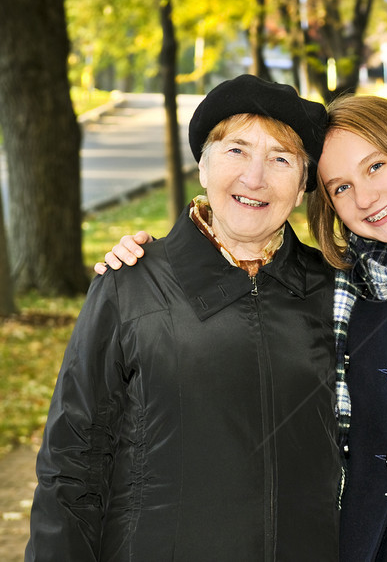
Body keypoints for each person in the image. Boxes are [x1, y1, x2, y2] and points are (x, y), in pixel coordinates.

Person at [99, 94, 387, 560]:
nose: (365, 197)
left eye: (376, 166)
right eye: (340, 187)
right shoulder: (348, 285)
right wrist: (145, 265)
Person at [27, 74, 340, 561]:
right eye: (236, 150)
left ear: (301, 186)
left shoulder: (334, 291)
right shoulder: (129, 284)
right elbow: (72, 465)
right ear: (203, 166)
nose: (254, 178)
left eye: (280, 159)